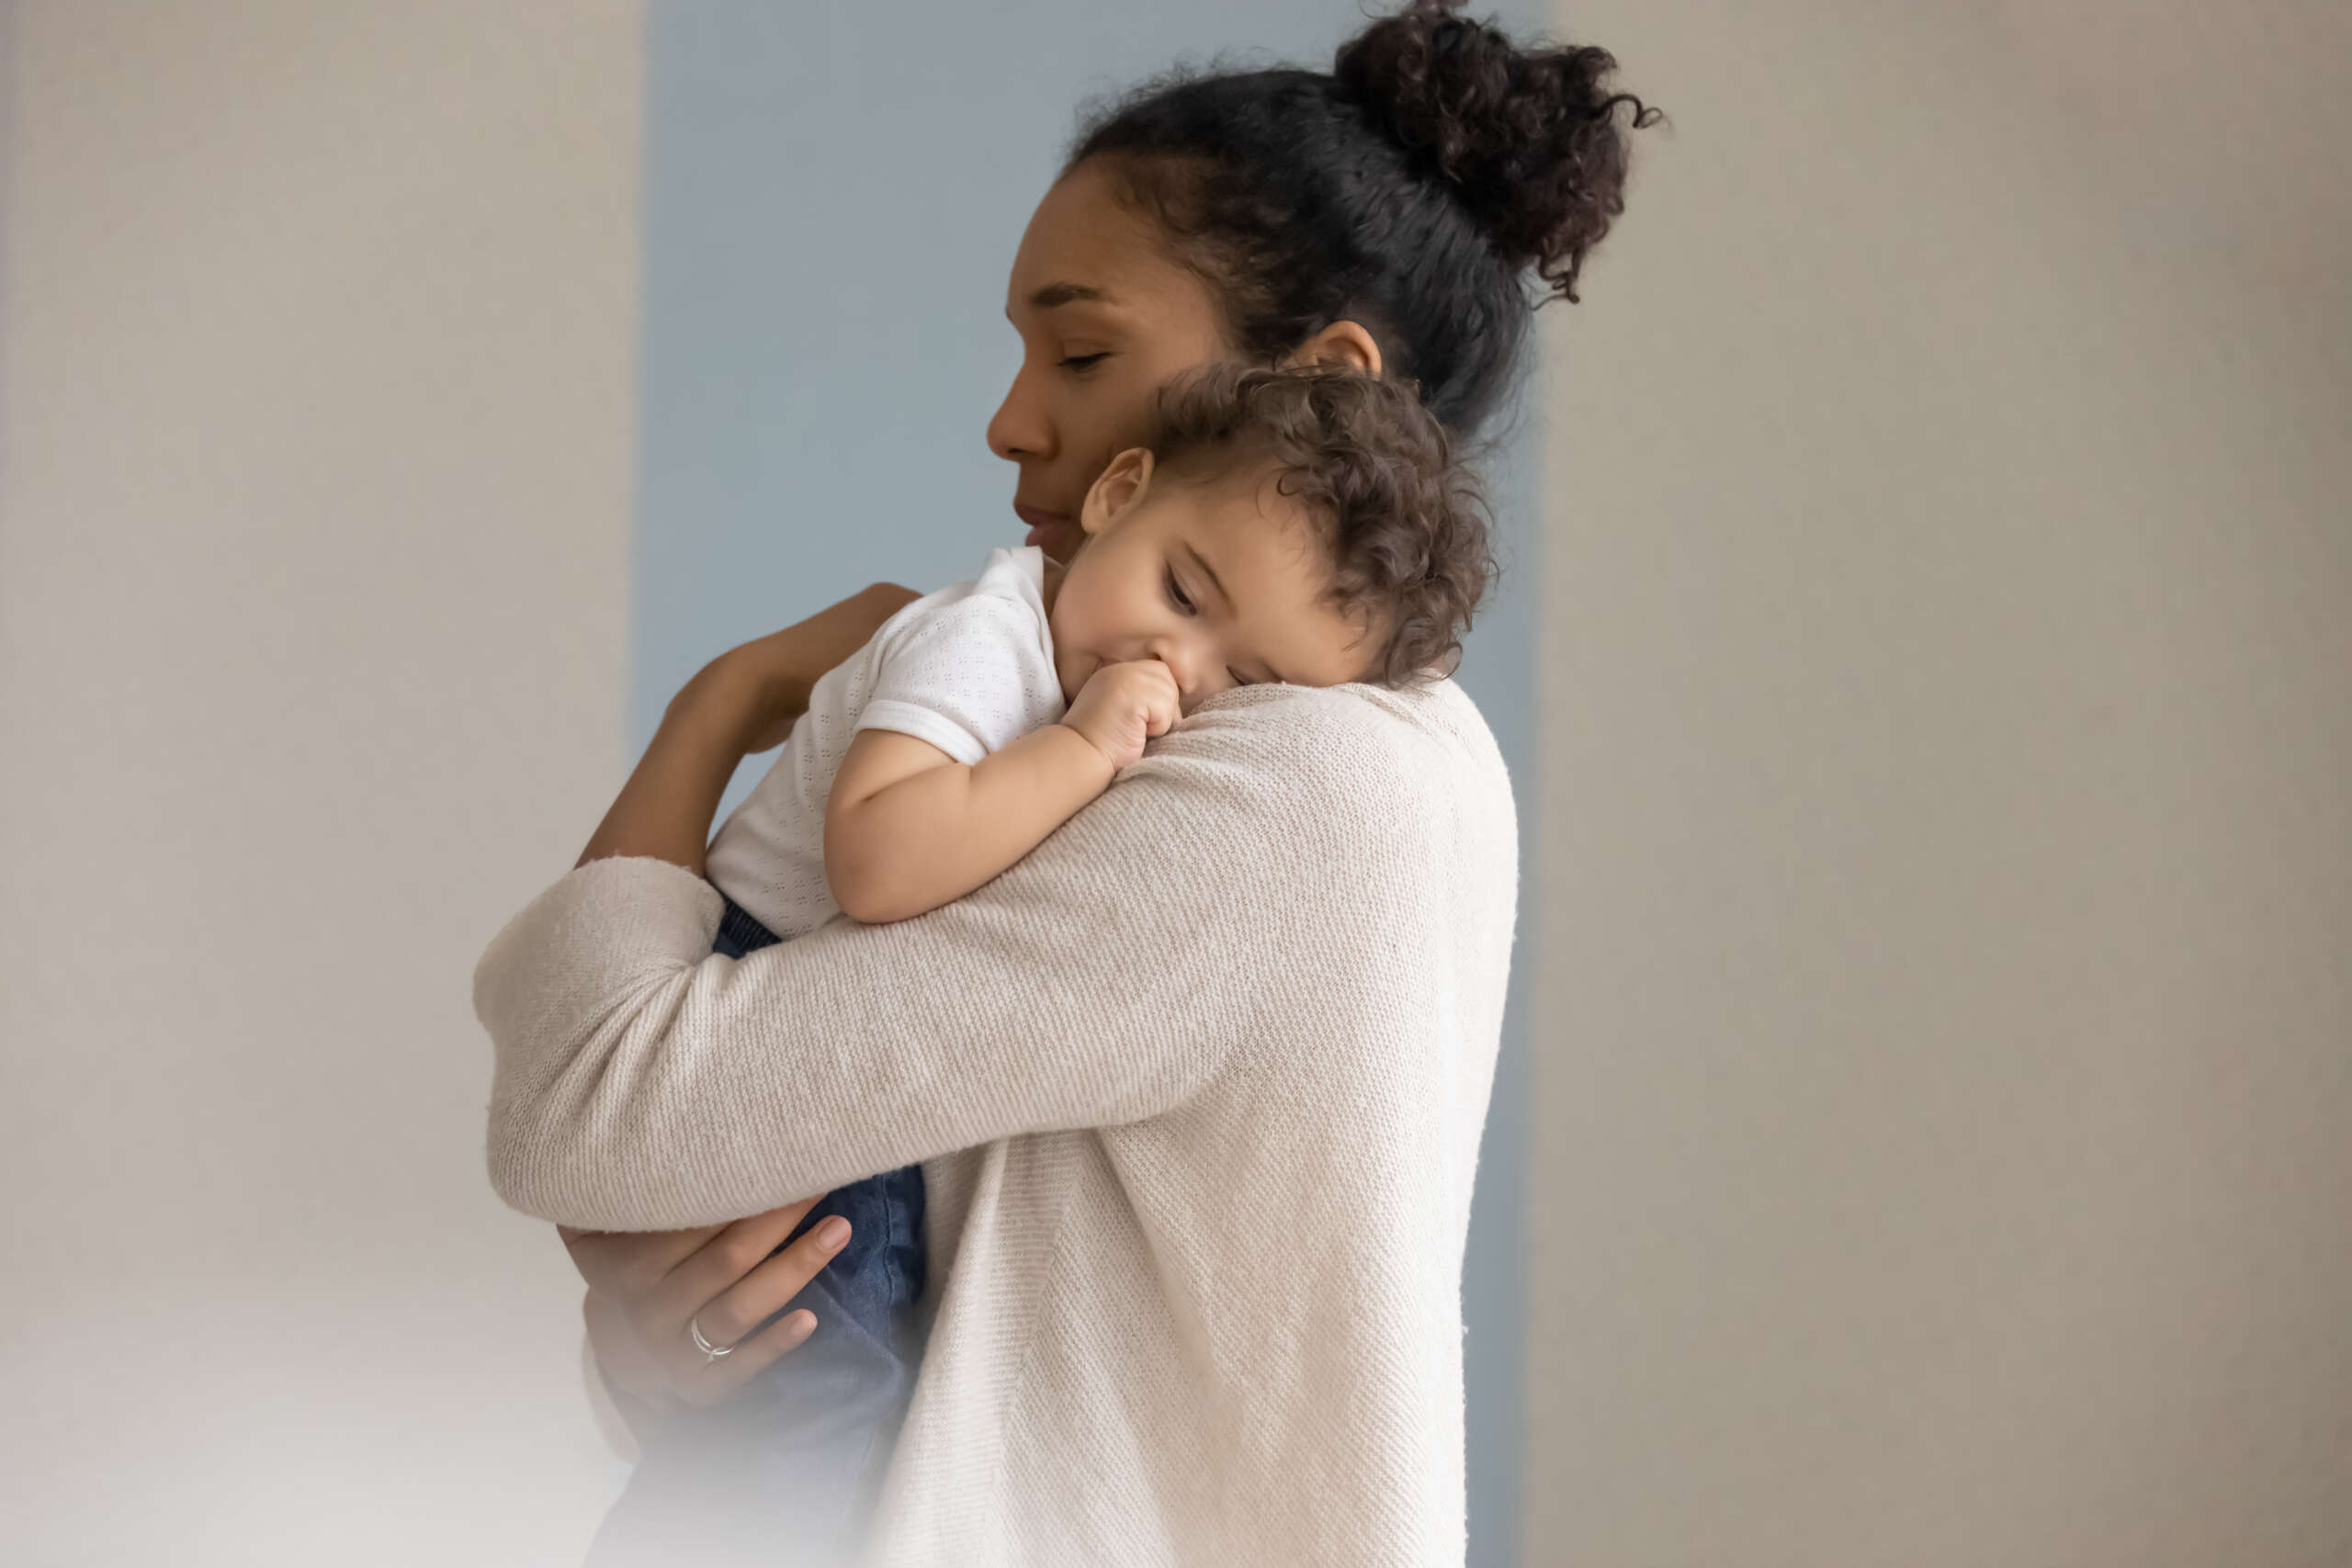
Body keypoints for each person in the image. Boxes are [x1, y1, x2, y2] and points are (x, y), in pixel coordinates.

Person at [481, 2, 1660, 1562]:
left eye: (1083, 348)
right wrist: (675, 1352)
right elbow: (960, 1284)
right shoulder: (1272, 743)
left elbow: (590, 1110)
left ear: (1326, 376)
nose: (1009, 419)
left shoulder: (1302, 792)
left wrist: (723, 706)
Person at [616, 362, 1493, 1559]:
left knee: (819, 1412)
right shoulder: (981, 636)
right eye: (1183, 589)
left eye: (1249, 682)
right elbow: (879, 858)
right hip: (756, 975)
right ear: (1118, 494)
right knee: (815, 1424)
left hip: (825, 1031)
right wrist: (1084, 750)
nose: (1179, 664)